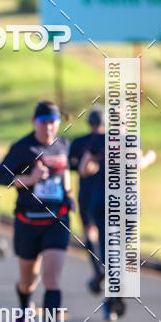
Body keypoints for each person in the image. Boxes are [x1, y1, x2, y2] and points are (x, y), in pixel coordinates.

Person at [0, 101, 73, 322]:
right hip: (28, 221)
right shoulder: (22, 148)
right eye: (44, 122)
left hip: (56, 220)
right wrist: (29, 179)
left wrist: (69, 192)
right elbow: (1, 177)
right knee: (28, 280)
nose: (49, 127)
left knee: (52, 279)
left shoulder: (63, 145)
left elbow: (65, 171)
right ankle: (24, 307)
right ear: (34, 122)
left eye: (54, 122)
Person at [79, 132, 156, 321]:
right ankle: (113, 300)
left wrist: (99, 164)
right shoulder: (129, 139)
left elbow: (84, 169)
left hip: (114, 202)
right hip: (118, 203)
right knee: (117, 252)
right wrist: (150, 157)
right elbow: (137, 165)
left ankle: (111, 296)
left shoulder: (100, 140)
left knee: (113, 253)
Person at [69, 106, 106, 294]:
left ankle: (99, 269)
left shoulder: (79, 142)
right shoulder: (109, 141)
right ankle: (104, 268)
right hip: (105, 193)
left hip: (86, 194)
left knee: (90, 233)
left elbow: (70, 163)